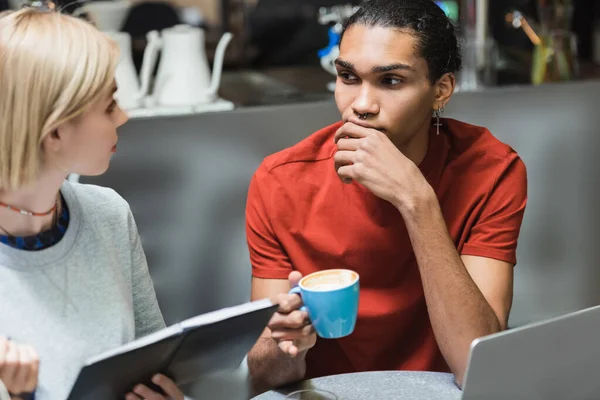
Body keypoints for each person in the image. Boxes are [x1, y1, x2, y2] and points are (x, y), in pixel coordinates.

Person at [245, 0, 528, 394]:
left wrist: (416, 200)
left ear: (441, 90)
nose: (361, 105)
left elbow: (474, 361)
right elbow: (261, 376)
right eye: (347, 76)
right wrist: (283, 346)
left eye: (391, 80)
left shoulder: (491, 169)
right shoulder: (280, 180)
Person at [0, 7, 185, 400]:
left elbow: (156, 362)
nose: (123, 116)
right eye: (108, 105)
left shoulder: (108, 214)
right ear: (54, 131)